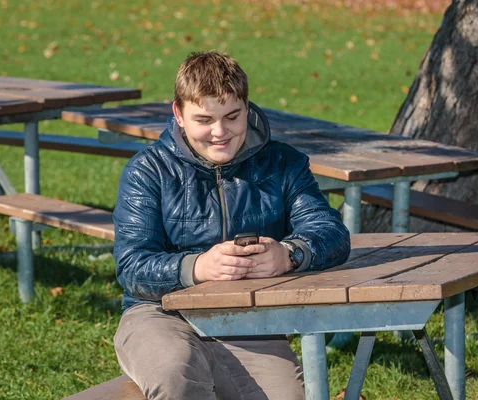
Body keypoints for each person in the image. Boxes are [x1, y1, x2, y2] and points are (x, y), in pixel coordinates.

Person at [112, 50, 350, 400]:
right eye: (204, 119)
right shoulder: (147, 171)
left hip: (249, 322)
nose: (220, 132)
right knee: (176, 377)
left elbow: (331, 232)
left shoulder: (283, 163)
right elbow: (132, 267)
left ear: (247, 108)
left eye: (232, 117)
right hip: (158, 312)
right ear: (178, 114)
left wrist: (289, 254)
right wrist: (197, 267)